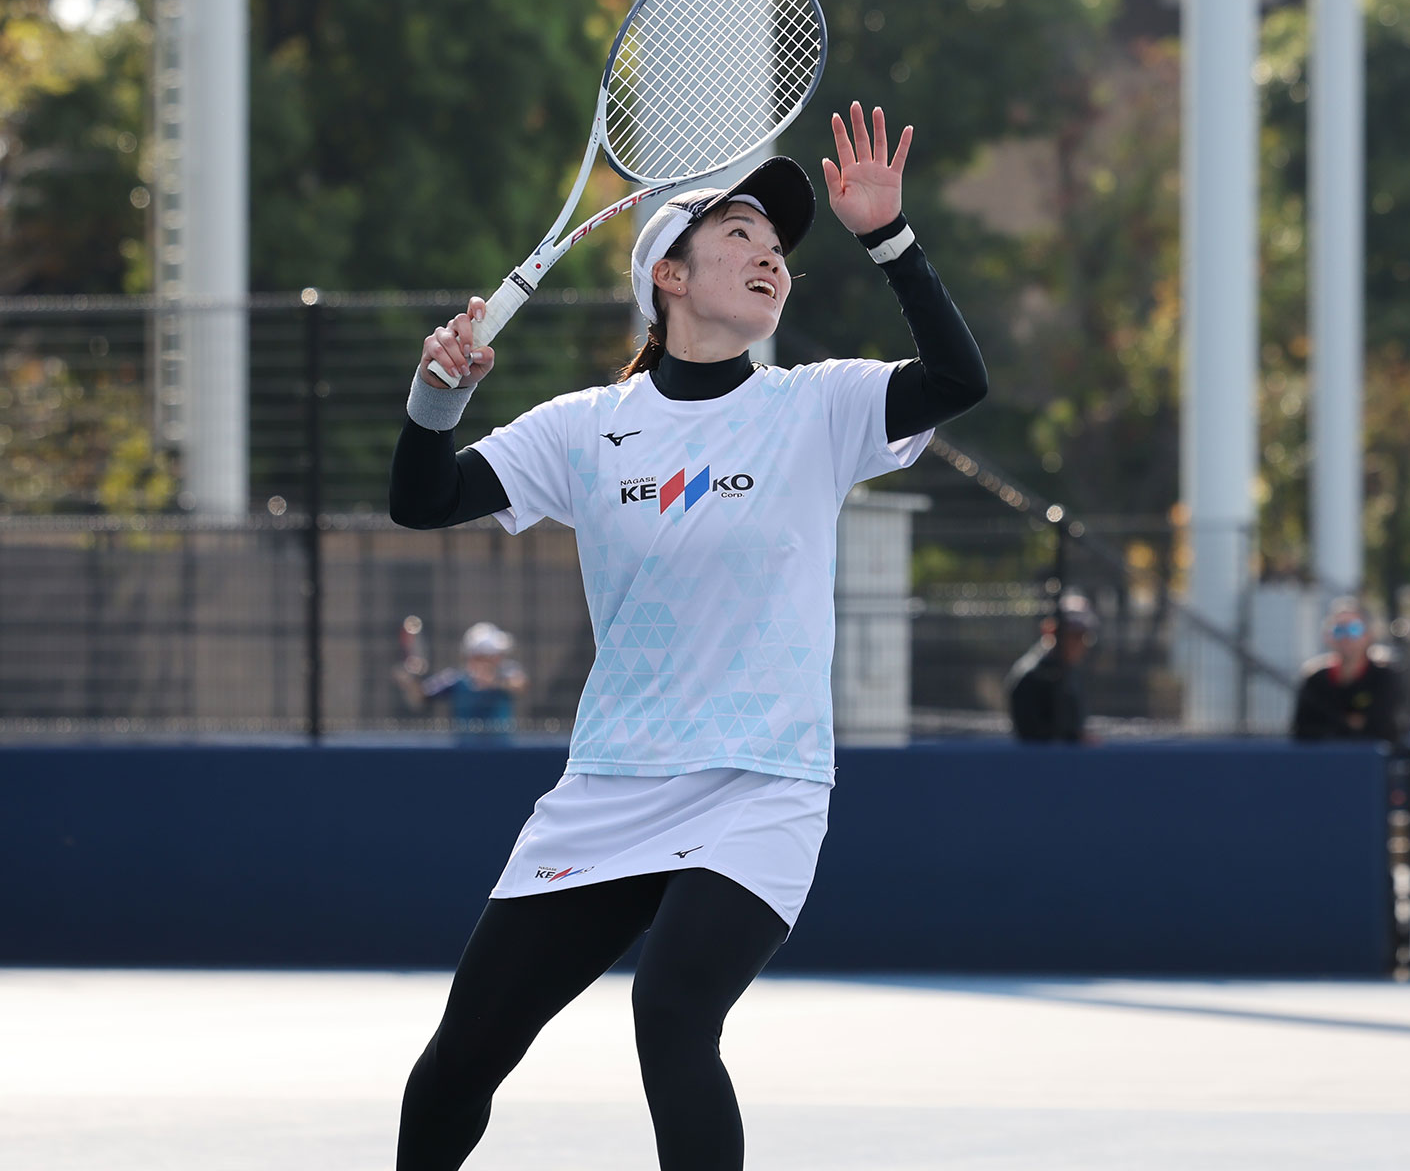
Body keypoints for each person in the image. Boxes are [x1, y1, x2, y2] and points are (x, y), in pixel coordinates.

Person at [386, 103, 986, 1171]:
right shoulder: (585, 427)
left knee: (671, 1014)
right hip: (613, 782)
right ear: (669, 275)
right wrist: (437, 397)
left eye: (778, 246)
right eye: (741, 236)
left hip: (762, 783)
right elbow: (422, 500)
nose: (771, 257)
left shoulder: (817, 407)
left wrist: (889, 238)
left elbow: (956, 379)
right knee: (464, 1054)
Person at [1291, 598, 1402, 743]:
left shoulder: (1384, 677)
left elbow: (1382, 727)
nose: (1346, 638)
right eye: (1338, 630)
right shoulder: (1314, 679)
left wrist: (1332, 722)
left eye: (1354, 630)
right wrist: (1350, 722)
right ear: (1328, 636)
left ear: (1368, 635)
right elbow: (1302, 730)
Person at [393, 621, 529, 735]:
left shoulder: (506, 673)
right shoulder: (455, 680)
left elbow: (520, 685)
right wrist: (409, 682)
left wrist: (494, 682)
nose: (500, 658)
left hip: (502, 751)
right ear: (478, 656)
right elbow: (421, 697)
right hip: (465, 751)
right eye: (495, 654)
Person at [1005, 593, 1096, 743]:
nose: (1082, 643)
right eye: (1074, 635)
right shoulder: (1030, 677)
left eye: (1084, 635)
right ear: (1050, 630)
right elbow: (1034, 736)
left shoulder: (1070, 673)